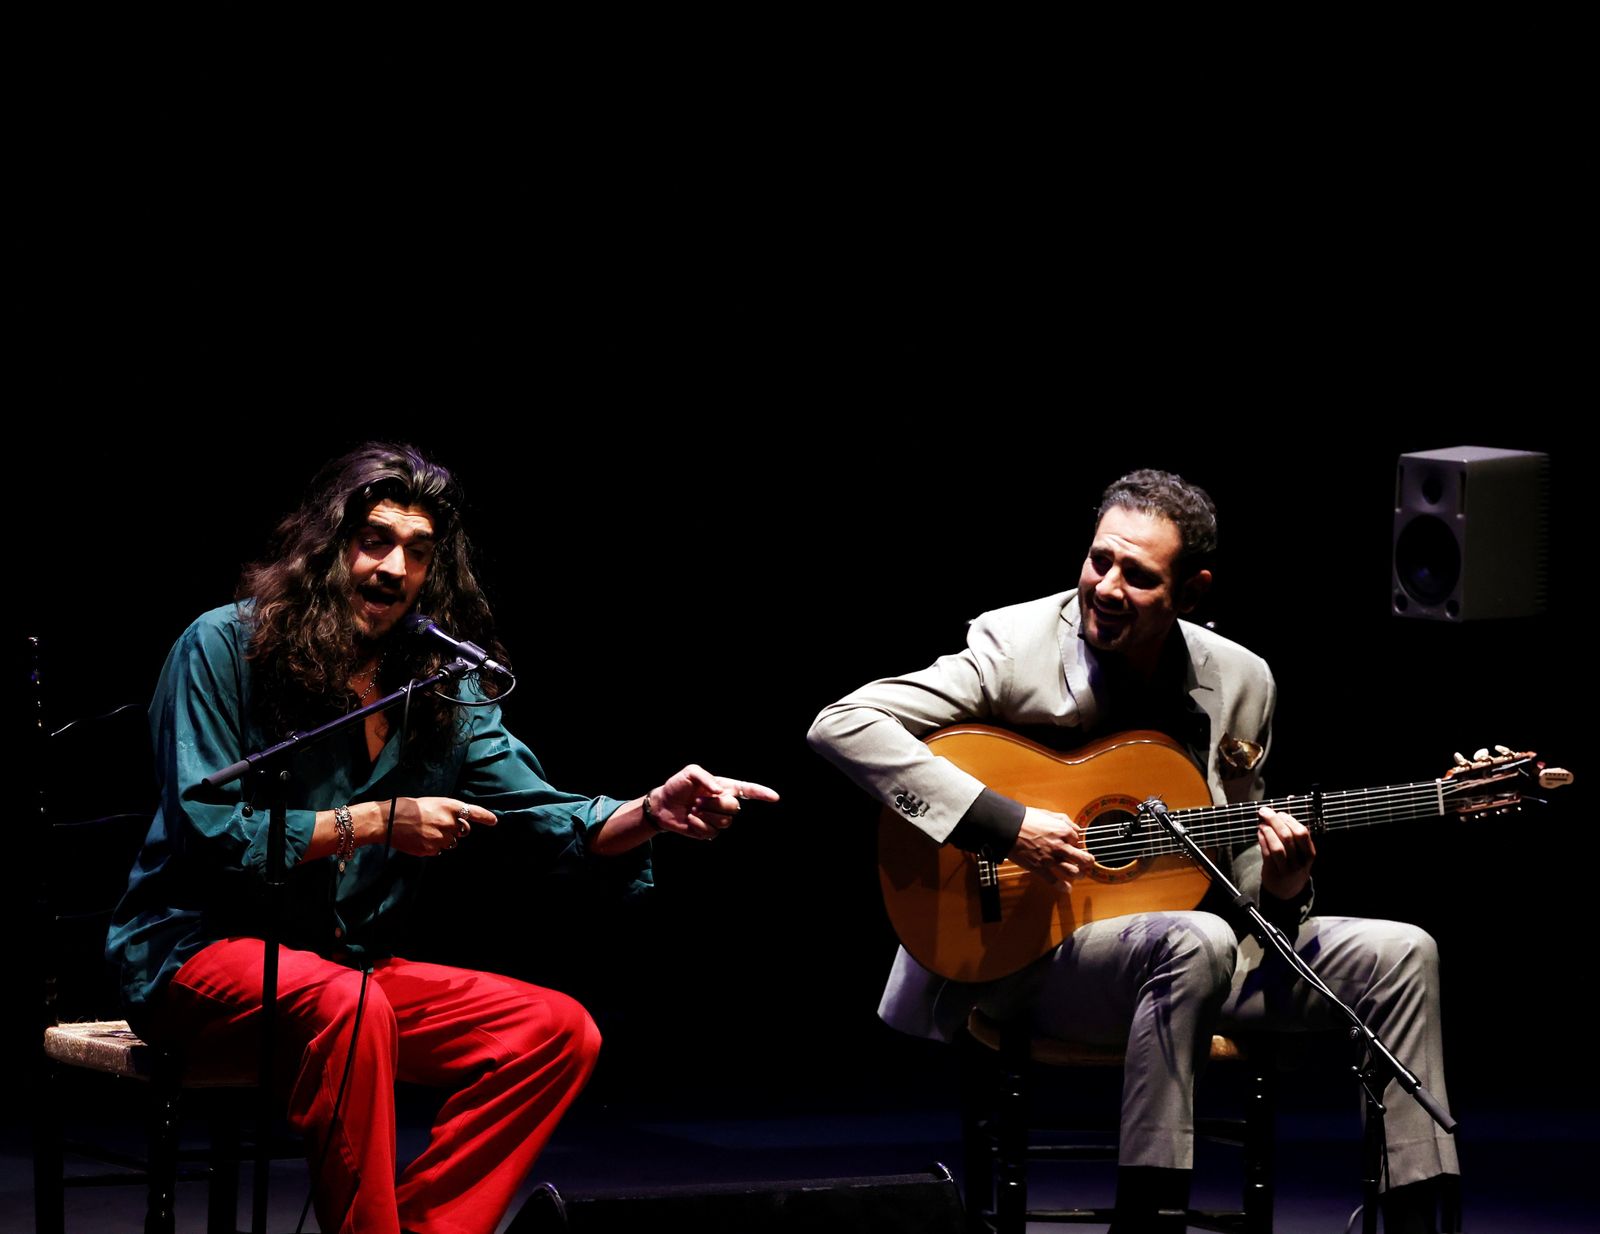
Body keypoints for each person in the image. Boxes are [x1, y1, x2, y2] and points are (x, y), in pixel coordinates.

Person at [107, 441, 778, 1234]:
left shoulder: (436, 682)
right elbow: (207, 829)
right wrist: (380, 823)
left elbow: (540, 813)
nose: (394, 568)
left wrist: (648, 812)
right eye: (376, 541)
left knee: (553, 1033)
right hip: (195, 958)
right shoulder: (223, 646)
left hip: (341, 971)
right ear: (329, 546)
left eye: (418, 553)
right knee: (349, 1007)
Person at [807, 469, 1456, 1233]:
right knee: (1194, 939)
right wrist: (1005, 822)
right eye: (1098, 561)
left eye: (1139, 576)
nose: (1107, 588)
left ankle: (1418, 1212)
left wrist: (1283, 885)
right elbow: (841, 726)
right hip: (1033, 958)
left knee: (1403, 950)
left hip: (1193, 952)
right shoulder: (1014, 645)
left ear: (1190, 591)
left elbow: (1236, 867)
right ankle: (1149, 1217)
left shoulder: (1243, 679)